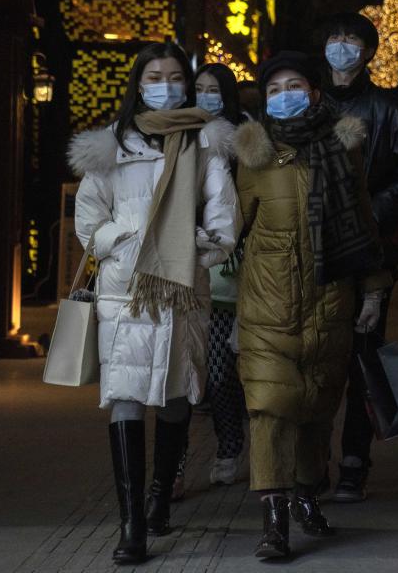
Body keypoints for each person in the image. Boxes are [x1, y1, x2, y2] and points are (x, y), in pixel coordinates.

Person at [67, 42, 238, 564]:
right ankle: (131, 522)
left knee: (177, 398)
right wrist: (127, 240)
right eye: (154, 76)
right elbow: (88, 222)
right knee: (124, 397)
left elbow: (225, 224)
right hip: (125, 292)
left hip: (183, 291)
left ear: (186, 86)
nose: (165, 85)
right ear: (138, 85)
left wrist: (188, 248)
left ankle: (161, 495)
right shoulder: (110, 147)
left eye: (174, 77)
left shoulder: (205, 143)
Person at [232, 51, 391, 558]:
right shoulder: (251, 155)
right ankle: (274, 520)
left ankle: (305, 493)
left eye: (294, 85)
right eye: (274, 89)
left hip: (329, 302)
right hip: (267, 304)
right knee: (270, 408)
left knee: (317, 408)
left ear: (315, 92)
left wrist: (373, 290)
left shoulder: (343, 149)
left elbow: (363, 223)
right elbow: (230, 226)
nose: (284, 96)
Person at [320, 12, 398, 503]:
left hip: (370, 256)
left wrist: (369, 213)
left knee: (362, 360)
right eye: (335, 36)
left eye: (352, 40)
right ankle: (308, 463)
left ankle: (353, 461)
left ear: (368, 53)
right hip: (314, 253)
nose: (342, 46)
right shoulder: (308, 103)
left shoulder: (389, 109)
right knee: (315, 357)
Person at [171, 63, 251, 500]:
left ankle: (230, 447)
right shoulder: (176, 135)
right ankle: (174, 466)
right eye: (198, 89)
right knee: (180, 378)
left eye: (214, 89)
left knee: (219, 374)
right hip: (181, 272)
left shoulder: (247, 137)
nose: (206, 96)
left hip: (226, 272)